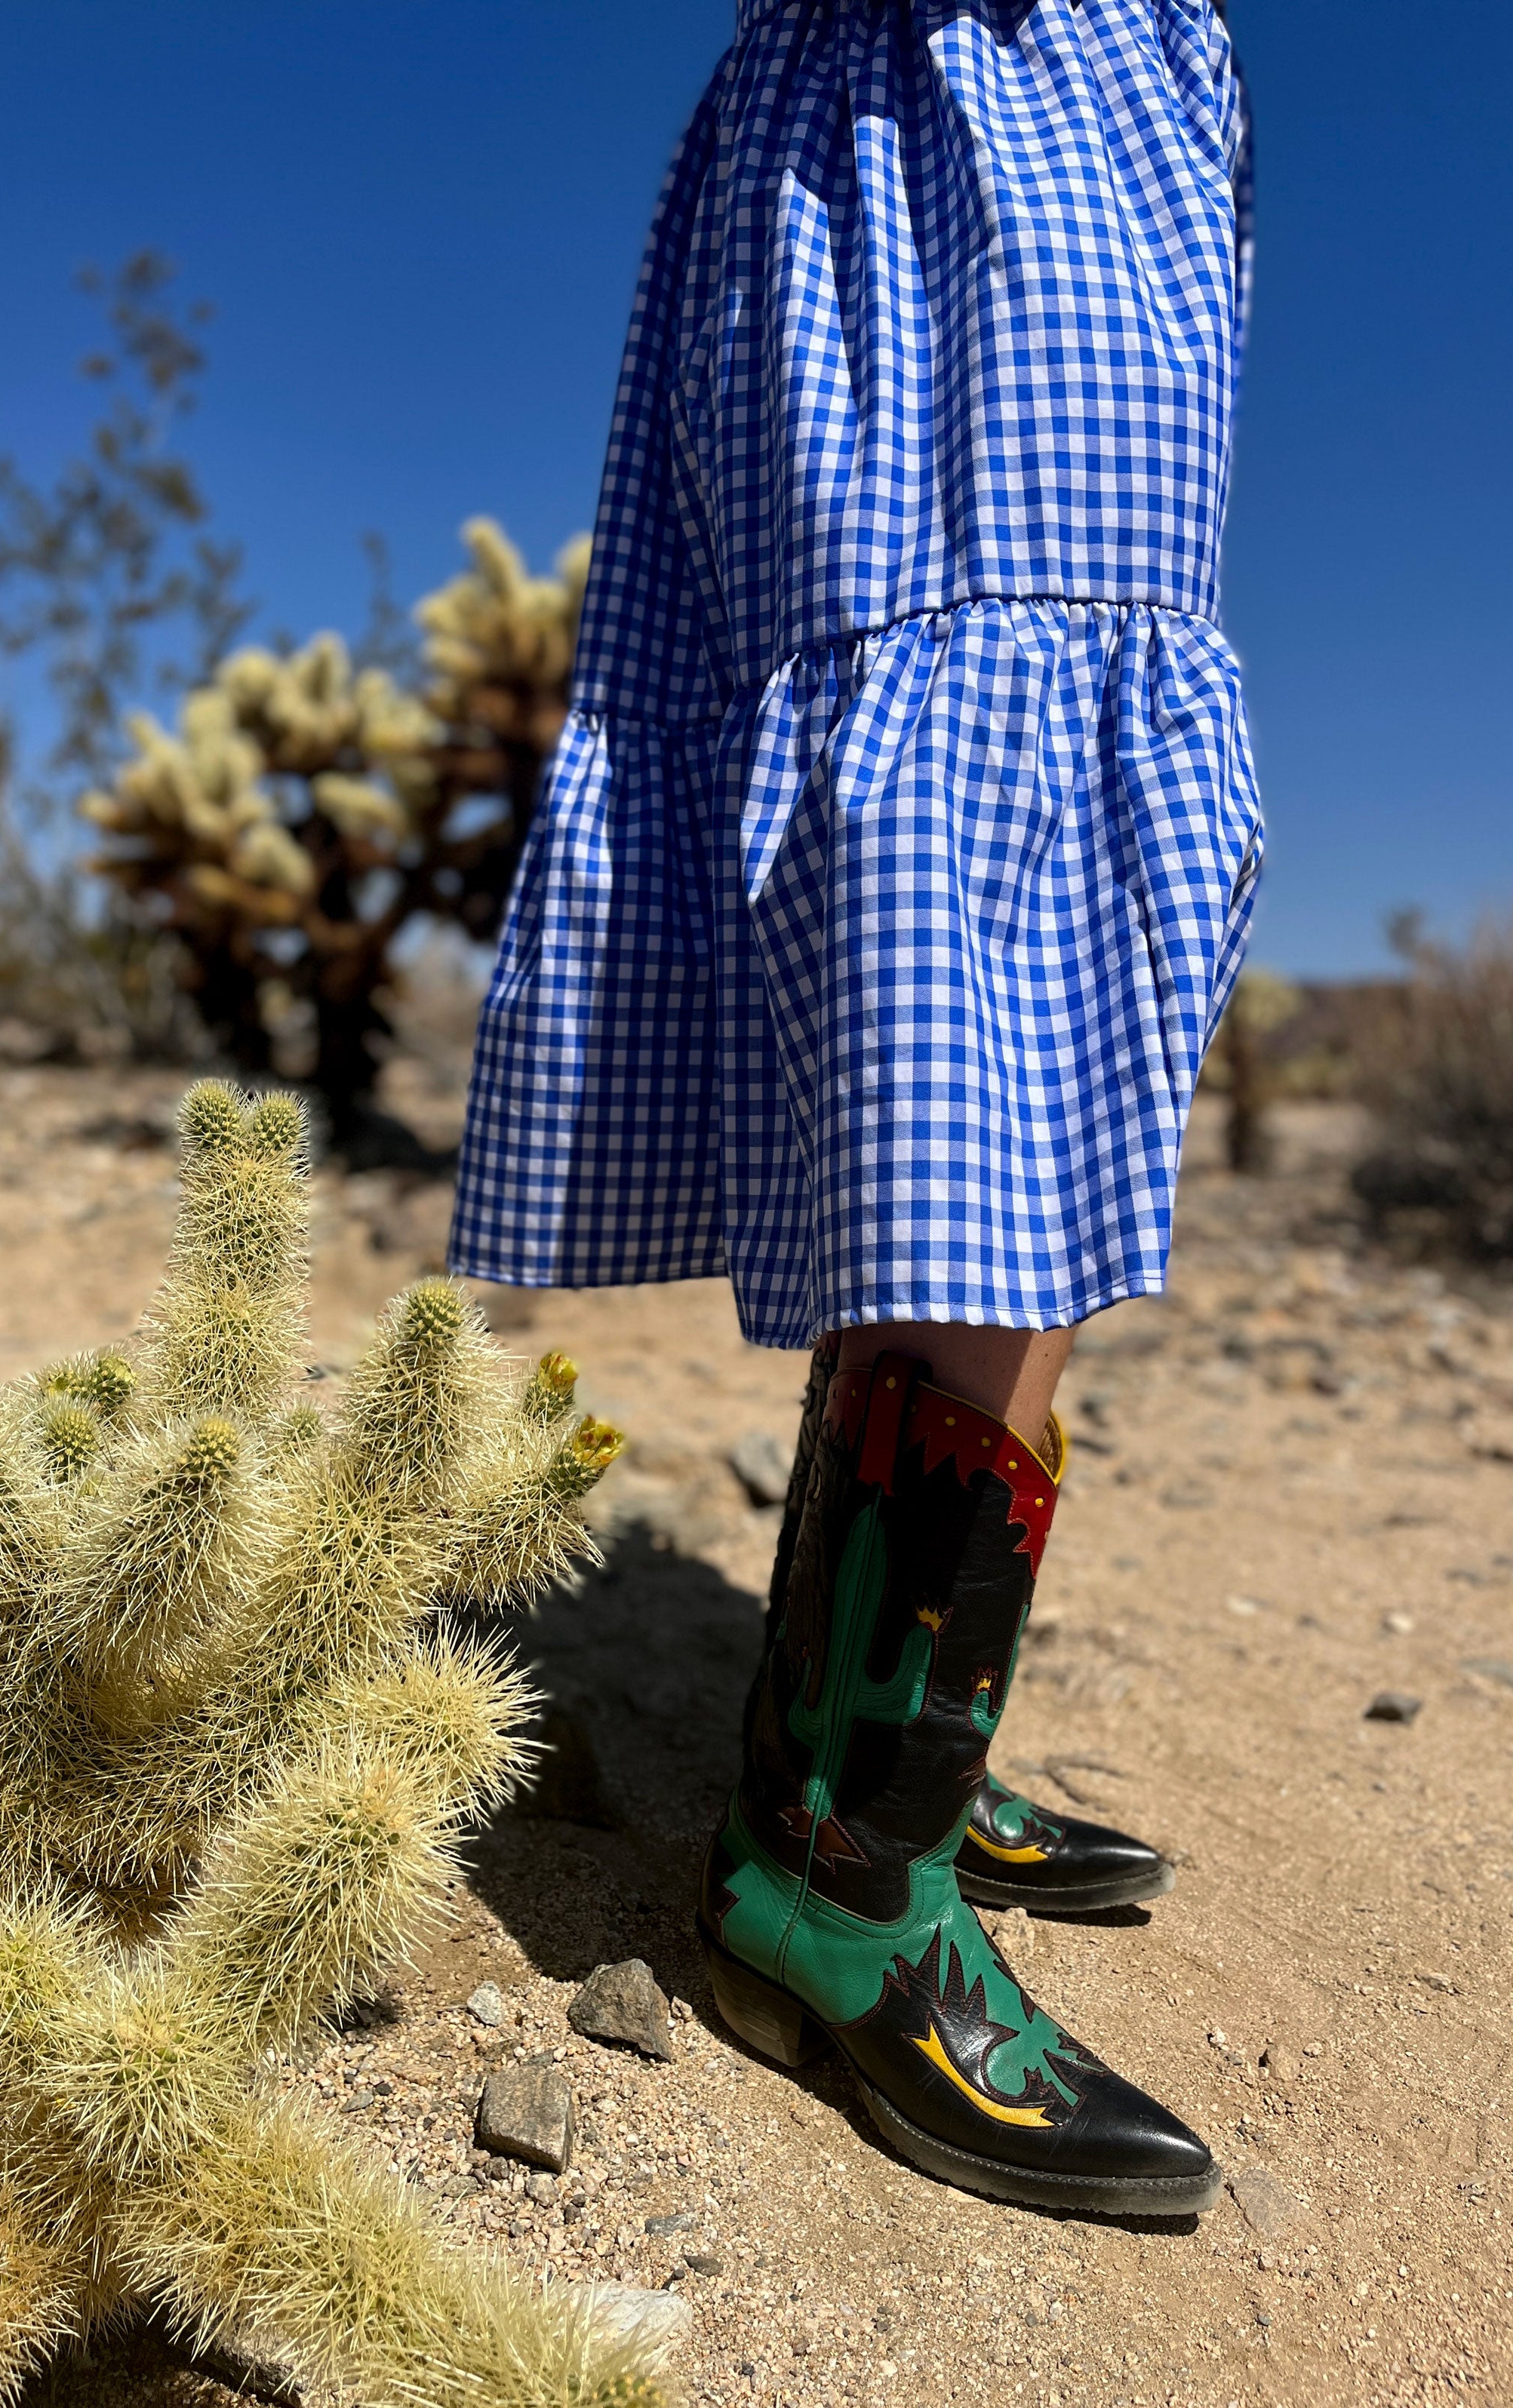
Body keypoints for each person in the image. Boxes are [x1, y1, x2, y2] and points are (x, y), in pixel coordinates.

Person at [451, 0, 1257, 2217]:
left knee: (1029, 951)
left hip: (1102, 93)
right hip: (943, 94)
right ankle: (831, 1894)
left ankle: (866, 1752)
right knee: (973, 850)